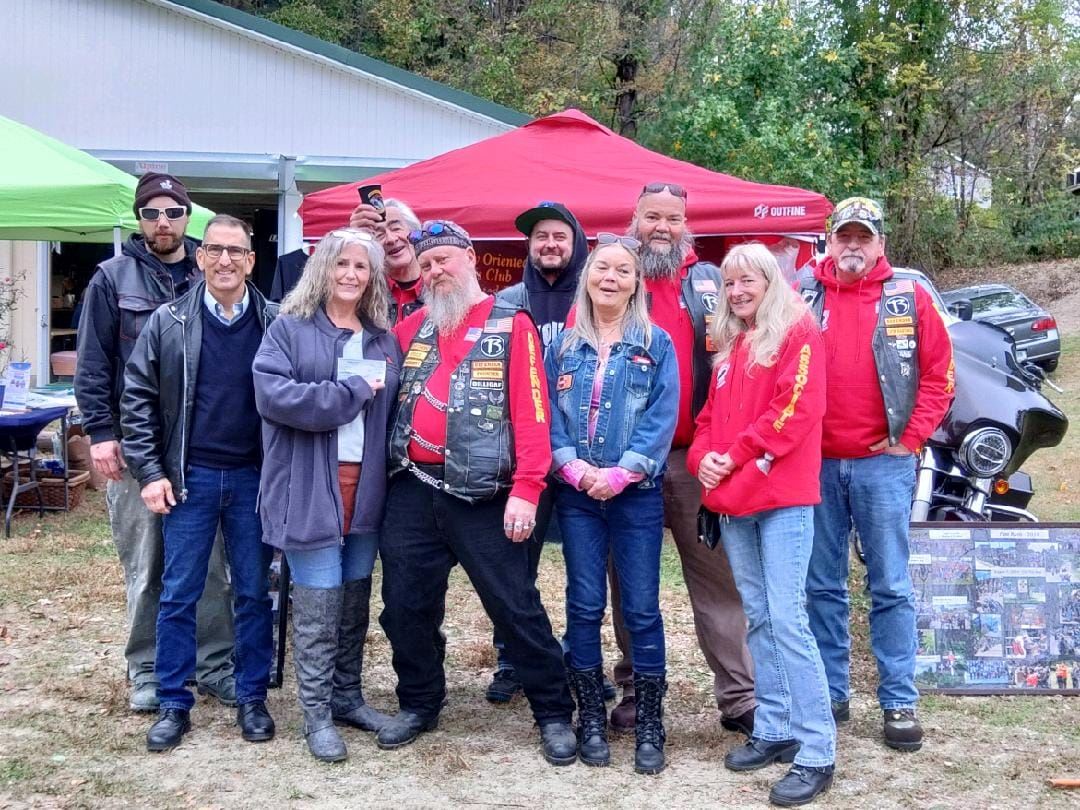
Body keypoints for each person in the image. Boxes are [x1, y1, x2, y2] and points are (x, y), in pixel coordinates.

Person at [377, 220, 577, 765]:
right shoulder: (408, 330)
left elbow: (533, 414)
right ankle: (419, 702)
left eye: (445, 259)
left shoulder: (513, 325)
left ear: (470, 258)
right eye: (427, 265)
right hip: (413, 489)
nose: (436, 271)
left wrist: (528, 489)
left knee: (515, 606)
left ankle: (554, 712)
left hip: (488, 493)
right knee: (403, 606)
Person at [74, 172, 235, 712]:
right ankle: (146, 668)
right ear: (139, 220)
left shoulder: (214, 269)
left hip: (201, 450)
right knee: (147, 564)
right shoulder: (110, 278)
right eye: (151, 213)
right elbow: (94, 364)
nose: (162, 222)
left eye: (172, 212)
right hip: (138, 446)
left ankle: (214, 664)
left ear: (189, 217)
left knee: (211, 566)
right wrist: (101, 433)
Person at [801, 197, 954, 752]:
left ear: (880, 244)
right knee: (821, 585)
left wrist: (909, 439)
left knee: (889, 584)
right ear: (830, 241)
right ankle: (831, 694)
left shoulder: (908, 297)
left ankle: (898, 699)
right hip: (813, 464)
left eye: (863, 237)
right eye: (844, 236)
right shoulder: (802, 295)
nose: (853, 246)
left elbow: (941, 376)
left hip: (883, 465)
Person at [120, 215, 277, 752]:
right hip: (191, 478)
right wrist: (150, 471)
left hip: (255, 479)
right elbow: (136, 398)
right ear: (200, 257)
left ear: (251, 261)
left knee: (255, 592)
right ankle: (172, 701)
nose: (226, 260)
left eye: (237, 251)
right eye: (215, 250)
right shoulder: (168, 321)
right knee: (179, 592)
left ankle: (253, 696)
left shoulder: (275, 321)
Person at [689, 243, 835, 807]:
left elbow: (796, 409)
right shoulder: (732, 344)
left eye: (747, 280)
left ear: (770, 280)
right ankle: (773, 727)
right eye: (729, 284)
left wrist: (738, 452)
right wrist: (705, 454)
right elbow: (708, 416)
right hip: (735, 497)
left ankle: (817, 748)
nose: (738, 291)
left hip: (781, 496)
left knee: (788, 618)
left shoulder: (798, 331)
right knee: (758, 616)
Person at [609, 182, 756, 734]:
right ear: (635, 218)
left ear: (686, 224)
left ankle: (741, 696)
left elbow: (745, 363)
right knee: (630, 585)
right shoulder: (614, 277)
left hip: (696, 460)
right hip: (628, 464)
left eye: (673, 218)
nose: (662, 228)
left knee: (718, 583)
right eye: (652, 216)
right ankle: (636, 691)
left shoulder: (712, 283)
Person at [252, 229, 401, 762]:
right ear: (322, 269)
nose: (351, 275)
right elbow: (275, 397)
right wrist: (352, 392)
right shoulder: (288, 331)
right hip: (309, 483)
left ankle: (346, 697)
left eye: (362, 267)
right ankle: (315, 715)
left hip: (366, 486)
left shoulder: (382, 338)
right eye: (341, 264)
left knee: (354, 598)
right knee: (317, 601)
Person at [547, 234, 678, 773]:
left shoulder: (658, 343)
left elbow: (662, 416)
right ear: (587, 276)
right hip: (577, 497)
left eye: (623, 271)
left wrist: (623, 472)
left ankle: (649, 721)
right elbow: (549, 414)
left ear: (635, 284)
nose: (611, 277)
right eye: (603, 267)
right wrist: (576, 469)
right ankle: (591, 718)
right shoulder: (562, 345)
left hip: (636, 497)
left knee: (641, 608)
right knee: (582, 604)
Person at [484, 200, 594, 704]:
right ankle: (512, 659)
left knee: (584, 570)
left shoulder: (594, 296)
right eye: (540, 237)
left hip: (580, 455)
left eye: (559, 236)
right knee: (514, 569)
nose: (549, 244)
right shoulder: (507, 301)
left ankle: (579, 658)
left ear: (576, 245)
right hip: (521, 456)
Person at [350, 197, 426, 323]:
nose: (391, 239)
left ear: (413, 232)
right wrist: (353, 240)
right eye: (379, 235)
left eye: (396, 228)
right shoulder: (365, 292)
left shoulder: (437, 284)